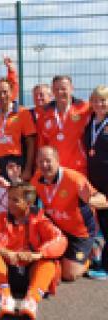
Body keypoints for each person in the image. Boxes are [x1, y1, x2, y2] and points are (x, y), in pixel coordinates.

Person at [0, 182, 68, 319]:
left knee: (49, 263)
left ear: (29, 203)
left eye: (15, 200)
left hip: (30, 274)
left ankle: (31, 301)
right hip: (4, 273)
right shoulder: (0, 218)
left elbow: (60, 239)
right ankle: (5, 298)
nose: (10, 203)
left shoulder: (40, 220)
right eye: (9, 198)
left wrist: (38, 255)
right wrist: (3, 251)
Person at [30, 146, 108, 281]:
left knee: (69, 275)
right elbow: (25, 199)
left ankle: (92, 250)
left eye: (48, 161)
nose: (44, 165)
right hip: (58, 229)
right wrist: (13, 182)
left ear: (57, 160)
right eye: (41, 161)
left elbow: (104, 201)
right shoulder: (37, 178)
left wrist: (91, 200)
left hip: (80, 233)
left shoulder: (74, 178)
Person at [37, 75, 90, 175]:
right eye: (56, 89)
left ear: (71, 89)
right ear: (52, 91)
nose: (60, 92)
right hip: (53, 168)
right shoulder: (44, 114)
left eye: (63, 89)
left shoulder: (84, 108)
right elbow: (41, 143)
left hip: (78, 167)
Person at [0, 78, 36, 180]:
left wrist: (28, 169)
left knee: (15, 194)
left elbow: (30, 142)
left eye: (5, 92)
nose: (2, 96)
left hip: (15, 160)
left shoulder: (22, 113)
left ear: (11, 92)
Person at [83, 85, 108, 279]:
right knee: (99, 221)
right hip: (94, 180)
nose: (99, 104)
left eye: (104, 100)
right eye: (96, 100)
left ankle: (106, 267)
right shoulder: (90, 120)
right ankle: (101, 259)